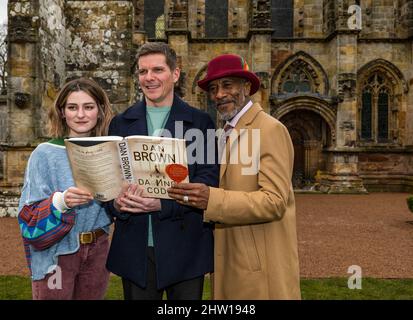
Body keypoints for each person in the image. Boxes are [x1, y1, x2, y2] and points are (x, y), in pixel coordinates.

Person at [168, 54, 301, 299]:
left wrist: (211, 199)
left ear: (247, 87)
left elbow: (275, 201)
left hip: (260, 270)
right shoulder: (223, 134)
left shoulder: (270, 129)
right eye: (214, 88)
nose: (219, 94)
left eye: (227, 85)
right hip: (229, 260)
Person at [105, 42, 219, 300]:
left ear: (175, 74)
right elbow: (110, 183)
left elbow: (209, 179)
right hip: (135, 249)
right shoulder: (120, 123)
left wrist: (162, 205)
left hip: (185, 248)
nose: (149, 78)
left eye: (157, 69)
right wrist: (117, 204)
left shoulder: (201, 122)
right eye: (143, 72)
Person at [18, 78, 114, 300]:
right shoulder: (44, 153)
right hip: (57, 250)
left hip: (98, 250)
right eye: (72, 107)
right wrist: (61, 201)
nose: (80, 114)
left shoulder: (110, 149)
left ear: (100, 111)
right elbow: (27, 213)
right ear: (62, 112)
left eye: (88, 107)